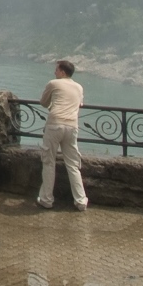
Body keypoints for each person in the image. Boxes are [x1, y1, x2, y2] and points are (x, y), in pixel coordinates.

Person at [38, 59, 89, 210]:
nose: (54, 72)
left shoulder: (53, 83)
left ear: (62, 72)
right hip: (72, 126)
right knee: (73, 164)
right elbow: (80, 103)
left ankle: (46, 199)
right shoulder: (79, 87)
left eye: (57, 69)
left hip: (54, 125)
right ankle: (80, 201)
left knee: (49, 161)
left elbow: (43, 102)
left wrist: (52, 104)